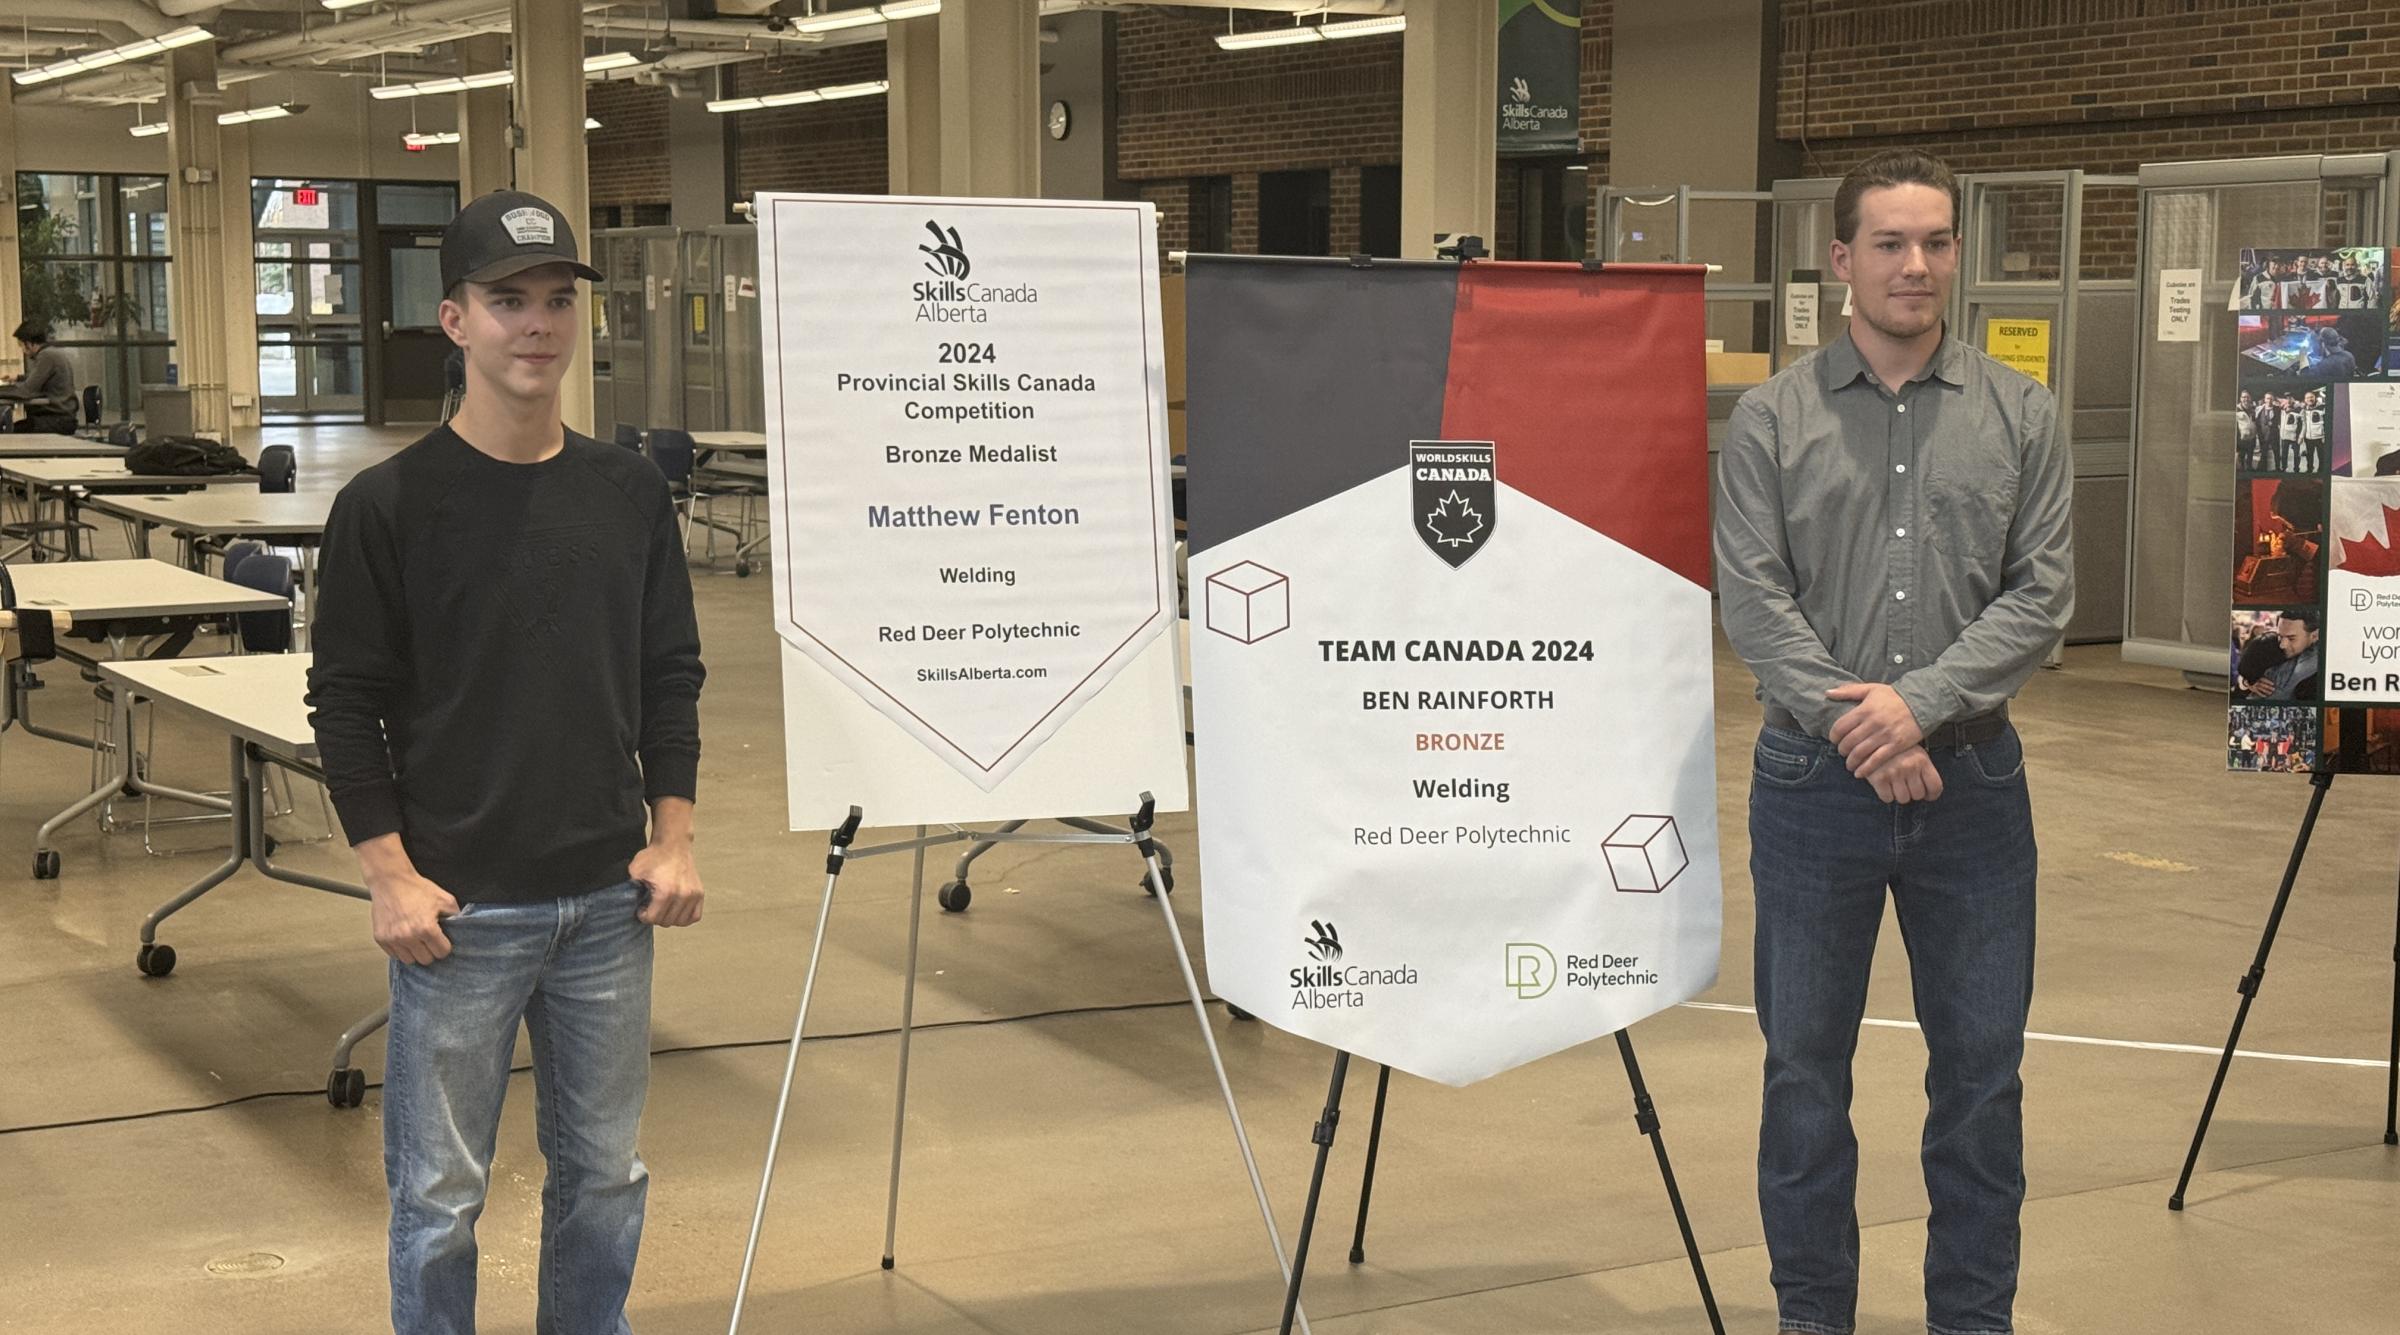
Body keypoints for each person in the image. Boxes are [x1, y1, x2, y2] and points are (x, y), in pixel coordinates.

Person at [305, 189, 707, 1335]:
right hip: (459, 912)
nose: (537, 324)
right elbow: (346, 704)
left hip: (607, 908)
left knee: (606, 1181)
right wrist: (389, 873)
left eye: (555, 300)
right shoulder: (388, 507)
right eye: (508, 300)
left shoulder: (628, 493)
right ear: (455, 320)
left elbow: (667, 676)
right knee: (438, 1199)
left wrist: (671, 840)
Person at [1716, 148, 2073, 1335]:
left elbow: (2043, 594)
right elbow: (1754, 602)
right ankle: (1813, 1320)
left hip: (1973, 786)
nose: (1914, 266)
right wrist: (1863, 724)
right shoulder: (1772, 417)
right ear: (1840, 260)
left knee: (1981, 1085)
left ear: (1955, 253)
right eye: (1888, 243)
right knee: (1805, 1083)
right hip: (1812, 786)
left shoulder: (2023, 412)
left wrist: (1913, 709)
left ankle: (1973, 1324)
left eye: (1934, 243)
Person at [4, 320, 81, 434]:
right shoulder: (51, 353)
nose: (23, 351)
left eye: (21, 345)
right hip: (62, 418)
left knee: (7, 431)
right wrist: (18, 378)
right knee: (13, 428)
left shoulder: (46, 356)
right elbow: (39, 378)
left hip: (57, 420)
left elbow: (25, 391)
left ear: (29, 344)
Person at [2250, 610, 2322, 702]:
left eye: (2291, 638)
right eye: (2280, 636)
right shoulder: (2270, 645)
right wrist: (2247, 682)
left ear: (2315, 636)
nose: (2282, 645)